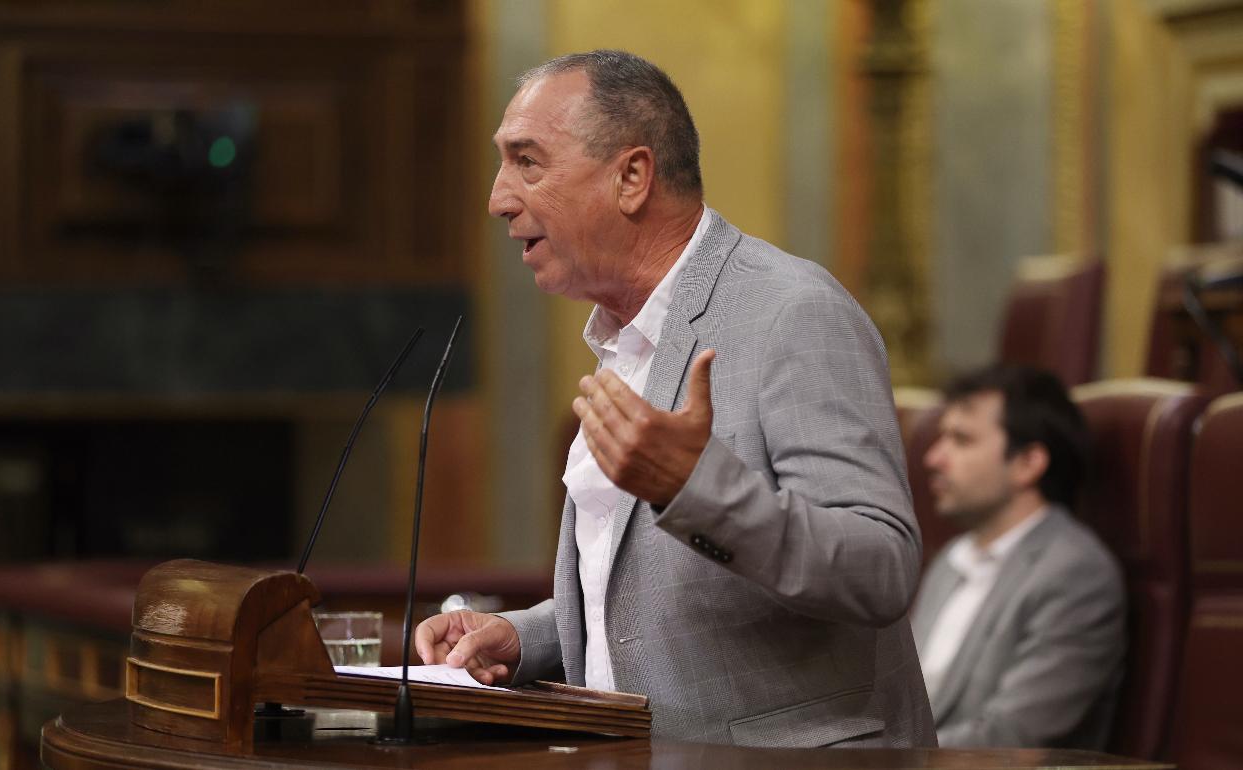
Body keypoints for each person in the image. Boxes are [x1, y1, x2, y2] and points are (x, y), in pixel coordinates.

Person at [415, 49, 934, 748]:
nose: (498, 197)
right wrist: (526, 637)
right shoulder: (623, 338)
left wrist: (697, 487)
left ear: (632, 177)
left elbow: (881, 568)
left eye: (527, 161)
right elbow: (655, 600)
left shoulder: (793, 313)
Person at [910, 364, 1125, 748]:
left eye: (960, 440)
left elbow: (1010, 738)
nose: (934, 458)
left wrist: (879, 761)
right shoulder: (950, 559)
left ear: (1028, 463)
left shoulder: (1075, 573)